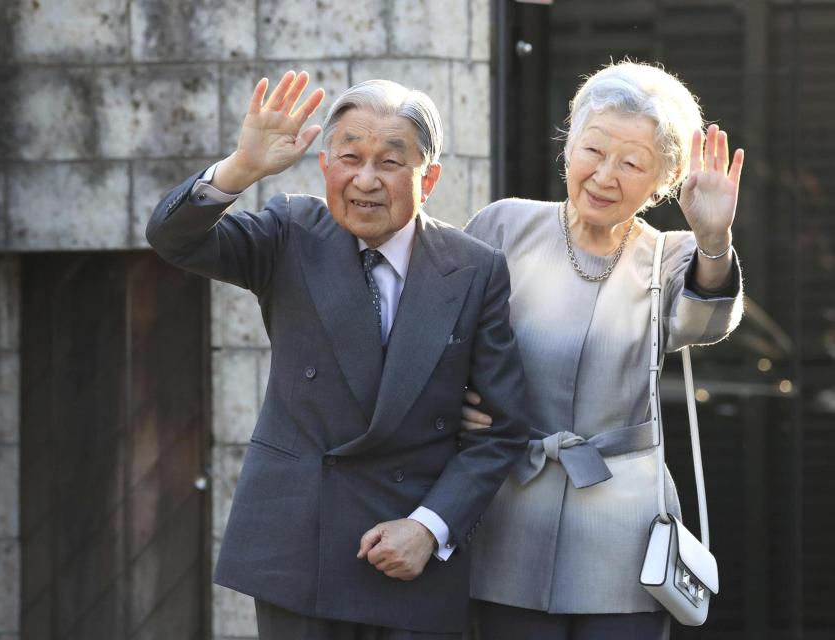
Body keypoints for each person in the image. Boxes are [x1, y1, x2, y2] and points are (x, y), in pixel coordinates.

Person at [146, 70, 530, 639]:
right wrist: (242, 167)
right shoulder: (291, 232)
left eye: (391, 162)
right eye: (349, 157)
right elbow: (173, 238)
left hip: (410, 548)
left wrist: (430, 527)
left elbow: (502, 429)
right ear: (326, 166)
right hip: (300, 544)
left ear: (429, 180)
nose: (366, 180)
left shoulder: (474, 268)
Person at [460, 61, 745, 639]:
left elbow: (706, 321)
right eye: (593, 149)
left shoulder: (671, 256)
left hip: (624, 526)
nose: (605, 175)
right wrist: (450, 403)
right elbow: (442, 339)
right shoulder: (502, 227)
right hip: (508, 508)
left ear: (663, 181)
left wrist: (714, 242)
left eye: (632, 163)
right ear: (569, 148)